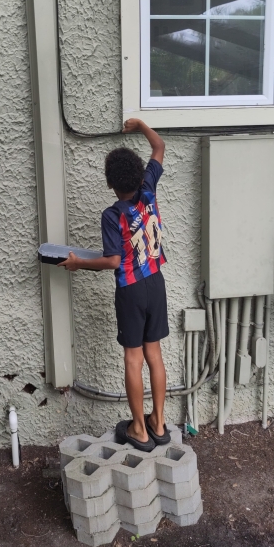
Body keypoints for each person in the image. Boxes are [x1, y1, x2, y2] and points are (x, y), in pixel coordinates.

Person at [58, 118, 170, 452]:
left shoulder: (112, 214)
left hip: (132, 290)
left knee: (133, 358)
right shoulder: (149, 188)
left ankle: (138, 428)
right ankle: (159, 423)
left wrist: (77, 263)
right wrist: (141, 125)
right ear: (139, 174)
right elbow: (159, 147)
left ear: (111, 184)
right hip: (156, 281)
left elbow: (112, 261)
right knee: (155, 354)